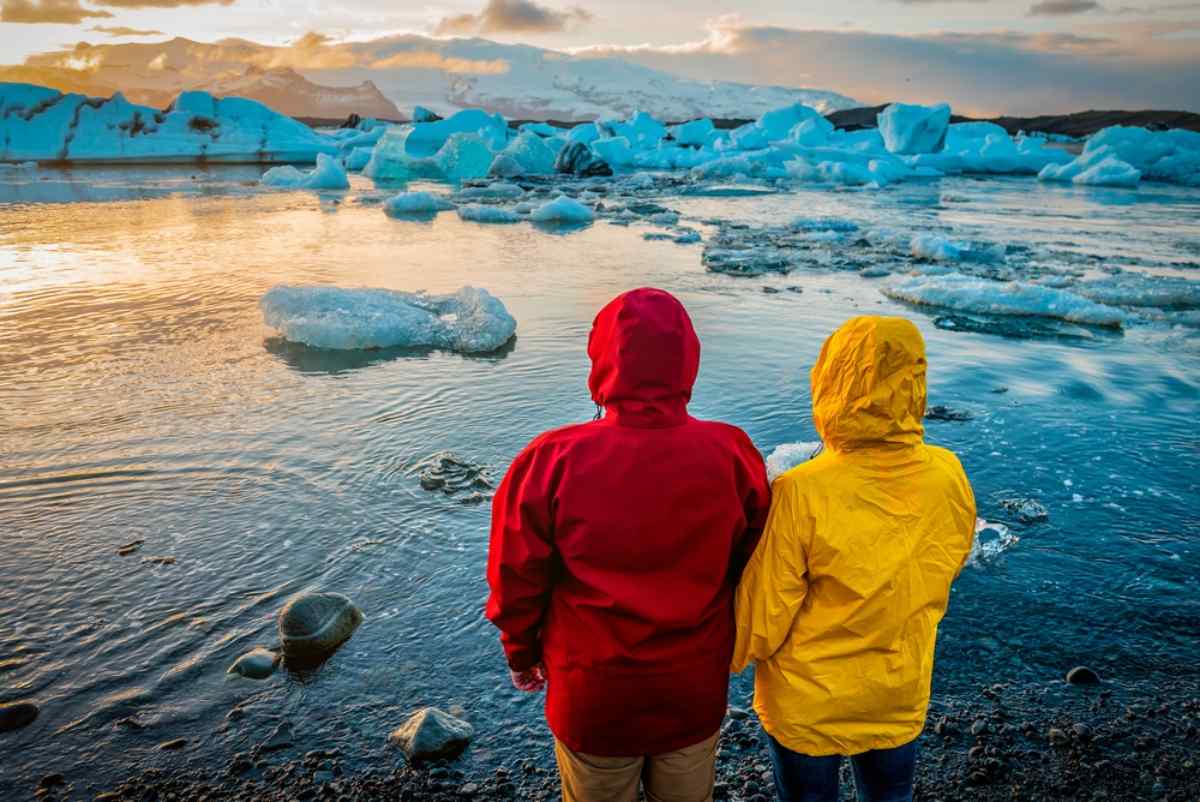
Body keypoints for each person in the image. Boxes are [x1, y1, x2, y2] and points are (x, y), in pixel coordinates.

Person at [487, 287, 771, 802]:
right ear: (688, 359)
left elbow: (516, 575)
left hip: (592, 692)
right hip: (692, 688)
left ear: (603, 359)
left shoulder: (550, 459)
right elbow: (755, 561)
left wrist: (521, 651)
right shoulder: (731, 453)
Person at [732, 315, 976, 802]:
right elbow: (950, 556)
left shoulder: (801, 490)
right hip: (896, 689)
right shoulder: (948, 474)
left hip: (807, 701)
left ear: (830, 382)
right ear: (915, 383)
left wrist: (719, 659)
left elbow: (763, 615)